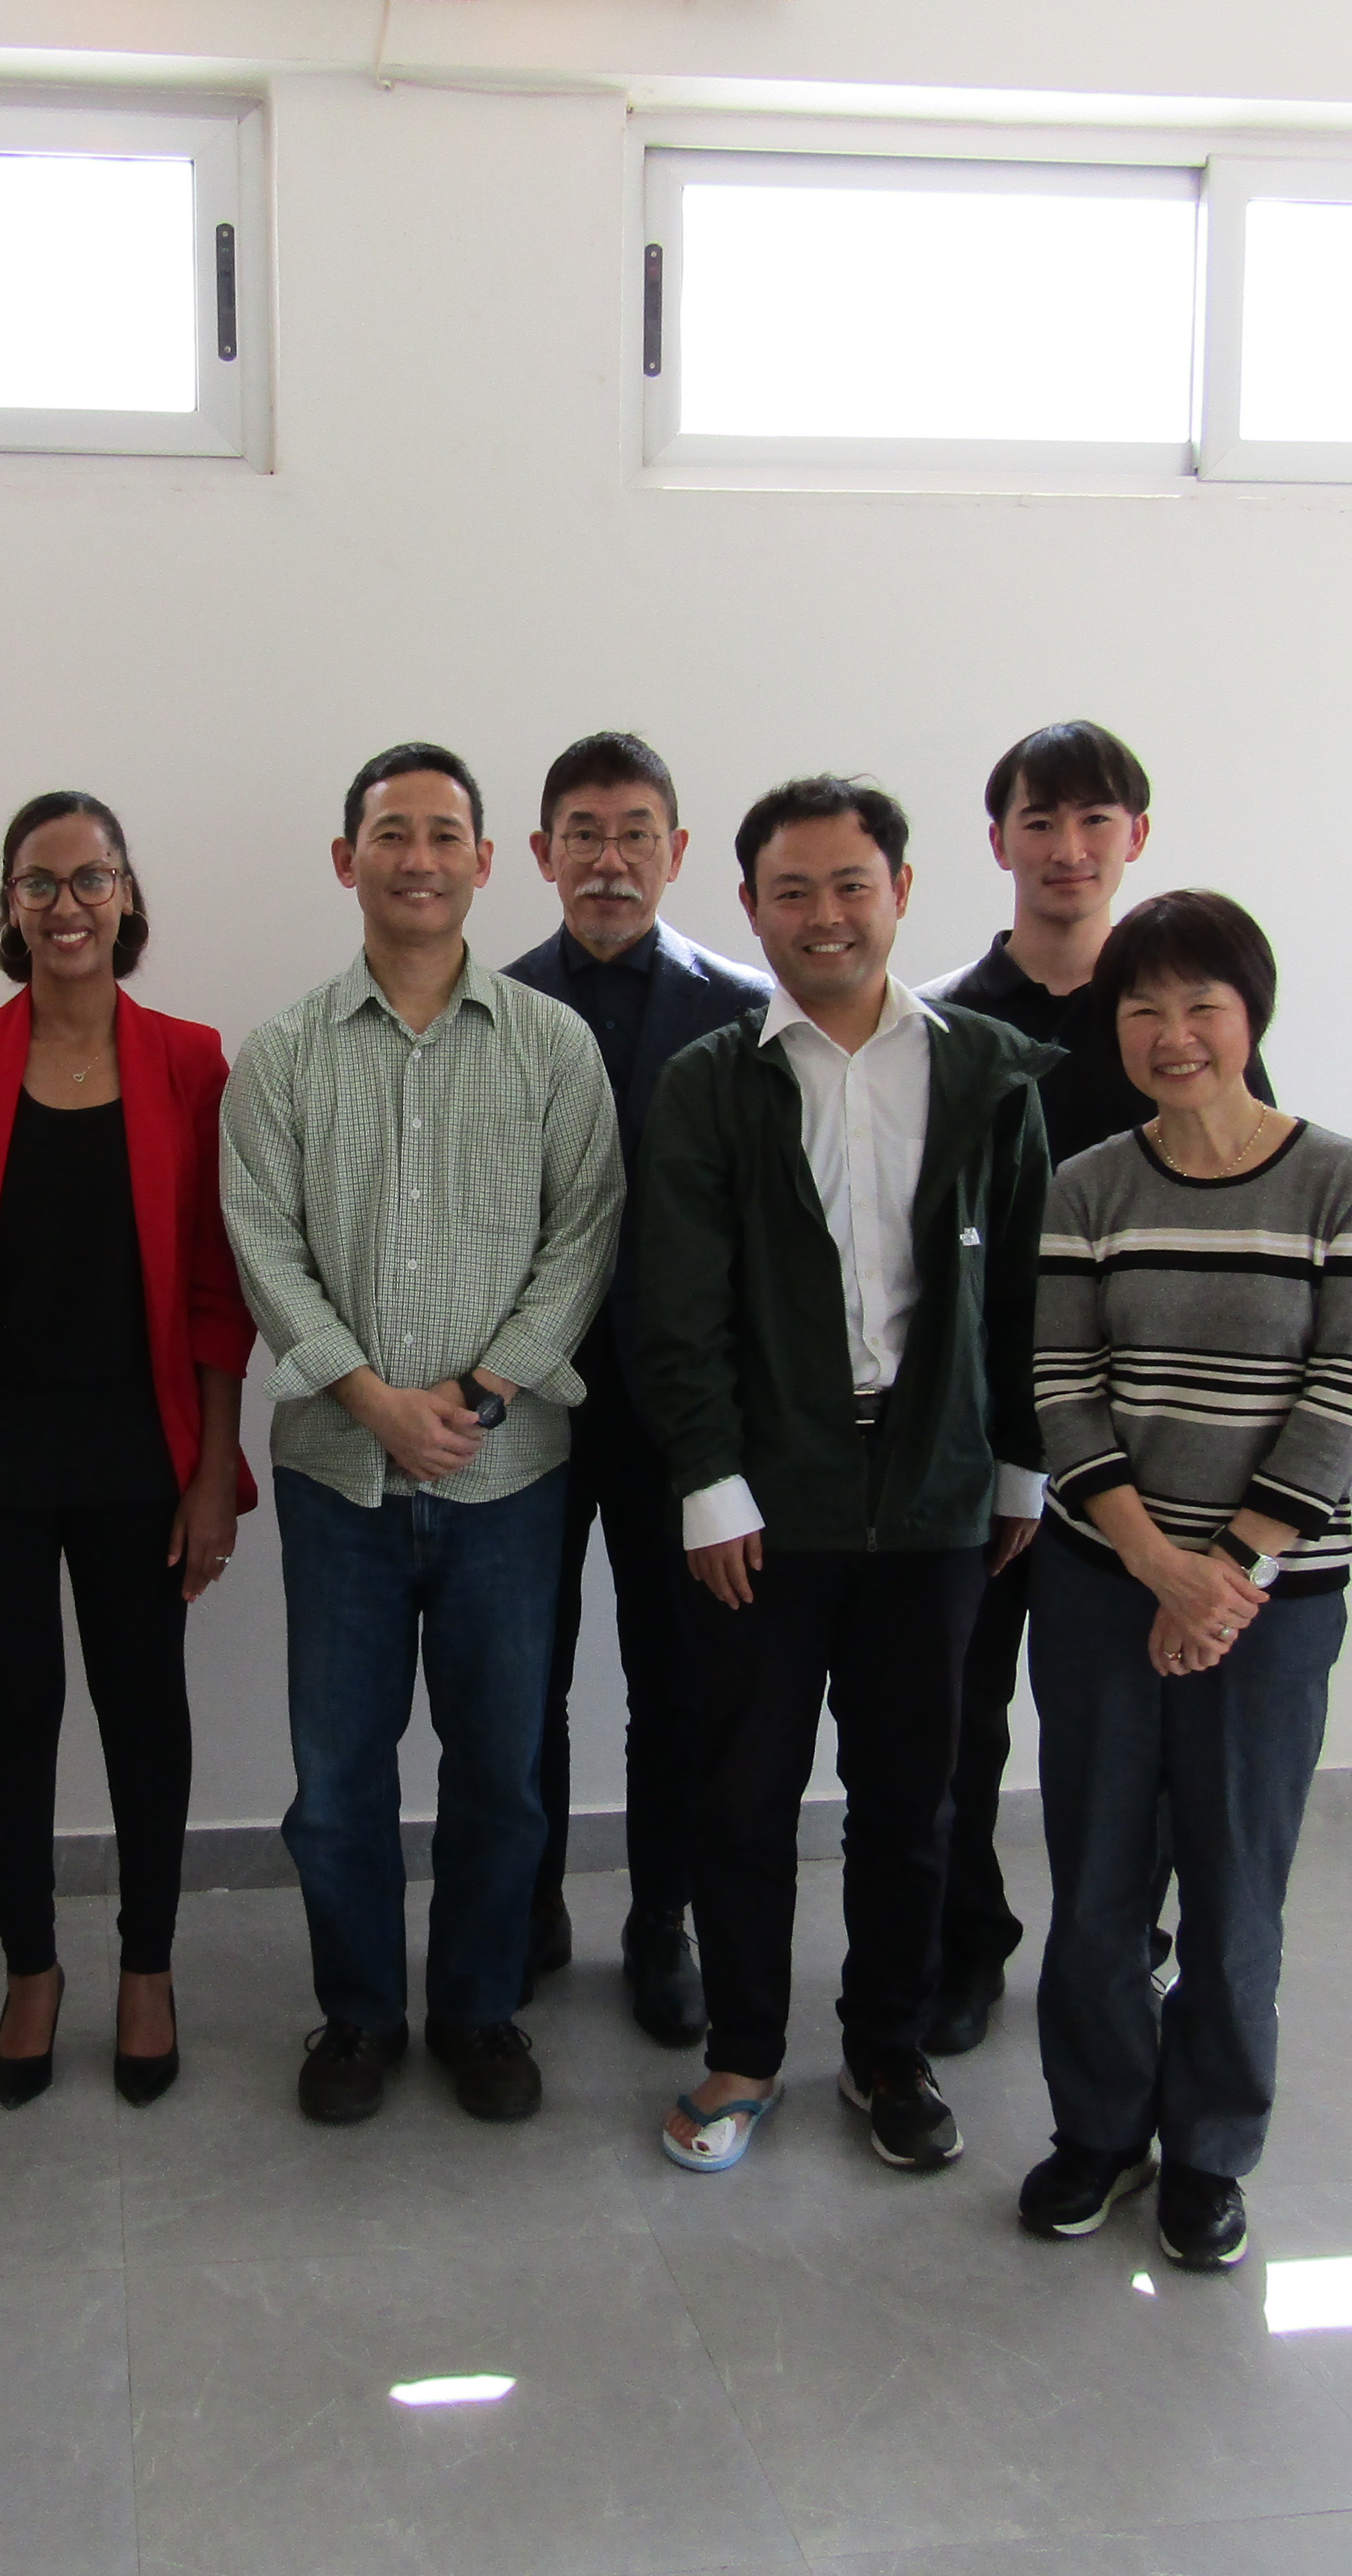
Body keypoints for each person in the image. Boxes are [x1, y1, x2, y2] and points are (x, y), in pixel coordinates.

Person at [635, 778, 1051, 2180]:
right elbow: (676, 1306)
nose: (824, 915)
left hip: (936, 1496)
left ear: (901, 892)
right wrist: (708, 1481)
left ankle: (887, 2050)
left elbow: (1024, 1292)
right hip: (766, 1501)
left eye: (850, 884)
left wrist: (1019, 1465)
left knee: (912, 1797)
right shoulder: (711, 1081)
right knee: (743, 1793)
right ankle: (744, 2052)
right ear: (749, 909)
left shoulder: (988, 1071)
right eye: (792, 891)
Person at [221, 741, 625, 2126]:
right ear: (348, 860)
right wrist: (372, 1398)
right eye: (391, 833)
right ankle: (356, 2015)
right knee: (337, 1780)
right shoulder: (282, 1053)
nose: (418, 858)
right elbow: (261, 1242)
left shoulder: (551, 1046)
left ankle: (476, 2008)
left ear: (485, 861)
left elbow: (584, 1236)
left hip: (507, 1478)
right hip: (337, 1478)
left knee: (499, 1772)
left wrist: (483, 1390)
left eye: (445, 834)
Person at [1019, 890, 1352, 2272]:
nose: (1172, 1034)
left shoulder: (1342, 1179)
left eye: (1201, 1006)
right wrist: (1154, 1564)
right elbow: (1063, 1388)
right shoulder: (1088, 1186)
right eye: (1143, 1009)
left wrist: (1226, 1574)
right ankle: (1097, 2130)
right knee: (1096, 1881)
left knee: (1237, 1890)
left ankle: (1209, 2151)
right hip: (1101, 1584)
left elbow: (1342, 1392)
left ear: (1250, 1016)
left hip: (1271, 1602)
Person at [0, 792, 256, 2107]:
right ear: (10, 905)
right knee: (13, 1711)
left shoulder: (191, 1061)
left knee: (145, 1710)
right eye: (39, 881)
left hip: (141, 1450)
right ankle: (29, 1965)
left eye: (92, 877)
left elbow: (216, 1287)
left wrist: (213, 1471)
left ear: (127, 896)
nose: (67, 903)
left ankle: (147, 1965)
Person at [918, 721, 1269, 2056]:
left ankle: (1125, 1944)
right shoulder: (946, 1024)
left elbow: (1245, 1210)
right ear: (997, 840)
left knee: (1132, 1726)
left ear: (1136, 836)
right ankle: (963, 1944)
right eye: (1039, 820)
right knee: (957, 1717)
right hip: (980, 1438)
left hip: (1149, 1448)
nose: (1066, 849)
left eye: (1094, 821)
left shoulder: (1182, 1021)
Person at [502, 729, 770, 2044]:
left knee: (678, 1680)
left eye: (634, 835)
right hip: (528, 1402)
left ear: (676, 850)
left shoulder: (743, 1011)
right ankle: (529, 1900)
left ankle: (661, 1915)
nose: (608, 860)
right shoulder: (492, 1004)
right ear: (542, 851)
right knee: (524, 1675)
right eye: (584, 834)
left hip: (683, 1413)